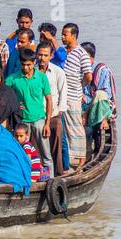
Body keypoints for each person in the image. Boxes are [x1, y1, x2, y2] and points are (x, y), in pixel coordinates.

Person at [6, 48, 55, 177]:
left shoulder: (41, 77)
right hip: (22, 122)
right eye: (23, 64)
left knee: (46, 154)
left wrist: (47, 123)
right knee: (20, 152)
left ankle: (51, 181)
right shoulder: (13, 78)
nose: (26, 67)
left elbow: (49, 100)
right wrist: (15, 105)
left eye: (28, 64)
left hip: (39, 120)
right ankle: (24, 177)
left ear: (34, 62)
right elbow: (4, 95)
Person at [62, 23, 93, 169]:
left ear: (73, 36)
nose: (62, 37)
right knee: (65, 127)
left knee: (75, 127)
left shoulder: (82, 53)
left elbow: (88, 76)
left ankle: (81, 160)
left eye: (65, 34)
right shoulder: (63, 52)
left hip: (74, 95)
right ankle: (68, 157)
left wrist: (80, 87)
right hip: (62, 95)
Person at [36, 42, 68, 176]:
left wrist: (60, 112)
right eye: (40, 54)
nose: (42, 58)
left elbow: (63, 93)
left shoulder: (57, 72)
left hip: (54, 114)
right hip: (36, 115)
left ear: (51, 56)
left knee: (56, 144)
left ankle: (57, 173)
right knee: (37, 146)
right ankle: (38, 172)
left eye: (45, 55)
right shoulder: (32, 71)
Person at [81, 41, 116, 156]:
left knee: (100, 94)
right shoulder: (81, 70)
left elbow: (107, 98)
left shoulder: (102, 70)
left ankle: (92, 151)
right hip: (86, 108)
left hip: (100, 111)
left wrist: (106, 118)